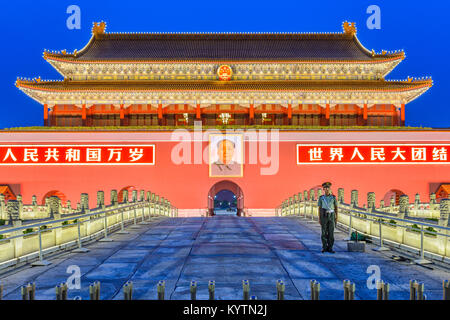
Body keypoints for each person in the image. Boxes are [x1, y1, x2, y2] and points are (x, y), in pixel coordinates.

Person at [318, 182, 338, 253]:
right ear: (323, 189)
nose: (326, 189)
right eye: (325, 188)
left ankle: (330, 248)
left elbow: (336, 208)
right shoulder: (321, 198)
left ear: (330, 189)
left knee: (331, 233)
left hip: (331, 215)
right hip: (324, 215)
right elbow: (319, 208)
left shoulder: (333, 197)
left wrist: (336, 217)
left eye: (328, 188)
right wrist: (319, 218)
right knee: (323, 232)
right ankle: (324, 247)